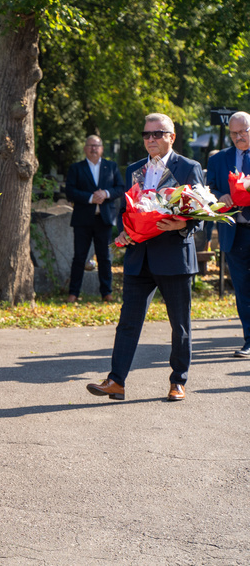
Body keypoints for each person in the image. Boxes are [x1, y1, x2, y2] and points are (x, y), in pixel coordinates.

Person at [86, 113, 203, 403]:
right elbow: (131, 208)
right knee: (128, 322)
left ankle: (178, 381)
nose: (150, 139)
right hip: (139, 257)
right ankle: (116, 381)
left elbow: (201, 213)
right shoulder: (134, 168)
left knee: (180, 324)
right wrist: (126, 231)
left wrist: (183, 225)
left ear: (171, 137)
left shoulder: (189, 167)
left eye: (157, 134)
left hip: (174, 257)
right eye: (146, 134)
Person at [207, 111, 250, 357]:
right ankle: (249, 340)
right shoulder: (219, 159)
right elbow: (208, 190)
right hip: (235, 231)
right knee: (243, 289)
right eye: (234, 133)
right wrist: (218, 196)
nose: (238, 137)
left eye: (243, 131)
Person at [65, 135, 125, 303]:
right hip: (82, 220)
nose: (93, 148)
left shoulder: (111, 166)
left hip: (104, 220)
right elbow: (70, 191)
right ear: (85, 148)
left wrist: (105, 194)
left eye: (97, 145)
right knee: (79, 257)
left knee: (105, 258)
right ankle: (73, 293)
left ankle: (107, 293)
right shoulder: (76, 168)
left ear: (102, 149)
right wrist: (91, 198)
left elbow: (120, 188)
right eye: (90, 145)